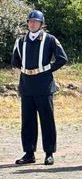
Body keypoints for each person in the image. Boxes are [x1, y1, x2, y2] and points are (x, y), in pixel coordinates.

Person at [11, 10, 68, 165]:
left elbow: (62, 58)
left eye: (36, 22)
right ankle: (29, 153)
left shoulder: (50, 39)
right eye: (30, 21)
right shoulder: (21, 41)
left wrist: (47, 69)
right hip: (27, 84)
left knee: (47, 120)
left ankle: (49, 152)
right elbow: (15, 61)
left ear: (42, 24)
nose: (32, 24)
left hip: (43, 84)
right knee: (27, 121)